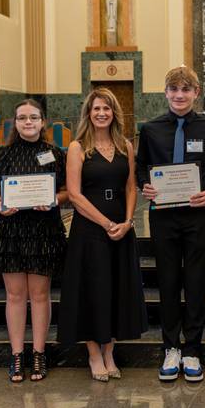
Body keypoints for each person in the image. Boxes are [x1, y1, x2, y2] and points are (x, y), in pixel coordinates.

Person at [136, 65, 205, 383]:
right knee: (169, 280)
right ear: (166, 93)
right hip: (163, 215)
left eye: (186, 89)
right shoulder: (150, 128)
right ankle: (171, 347)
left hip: (198, 214)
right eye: (174, 89)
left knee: (196, 280)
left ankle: (193, 350)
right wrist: (144, 184)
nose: (179, 95)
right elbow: (140, 167)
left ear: (195, 93)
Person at [57, 87, 146, 382]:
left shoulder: (125, 146)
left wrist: (127, 221)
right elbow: (74, 194)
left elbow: (130, 187)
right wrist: (107, 224)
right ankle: (94, 354)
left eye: (106, 109)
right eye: (96, 109)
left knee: (117, 290)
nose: (101, 113)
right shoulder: (78, 147)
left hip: (121, 229)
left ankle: (110, 351)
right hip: (90, 231)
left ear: (114, 113)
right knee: (92, 292)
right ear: (88, 113)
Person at [0, 99, 68, 383]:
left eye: (33, 117)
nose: (28, 122)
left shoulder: (55, 153)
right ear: (15, 123)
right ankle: (17, 355)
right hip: (12, 230)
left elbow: (68, 191)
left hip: (43, 230)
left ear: (43, 121)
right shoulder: (3, 153)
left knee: (41, 295)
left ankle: (39, 354)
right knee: (15, 295)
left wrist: (54, 199)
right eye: (22, 118)